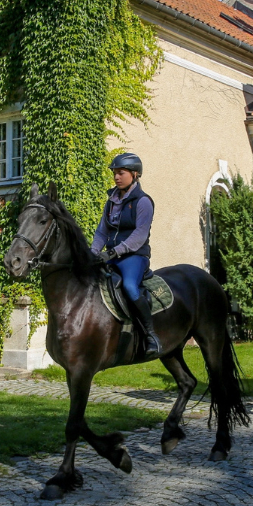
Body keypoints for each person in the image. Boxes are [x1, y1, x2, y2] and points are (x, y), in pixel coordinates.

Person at [90, 152, 160, 359]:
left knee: (129, 286)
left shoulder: (143, 201)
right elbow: (102, 231)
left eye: (121, 173)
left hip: (134, 256)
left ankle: (150, 335)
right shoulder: (111, 201)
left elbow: (139, 235)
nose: (116, 177)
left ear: (135, 174)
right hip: (111, 255)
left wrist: (113, 252)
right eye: (115, 173)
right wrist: (94, 252)